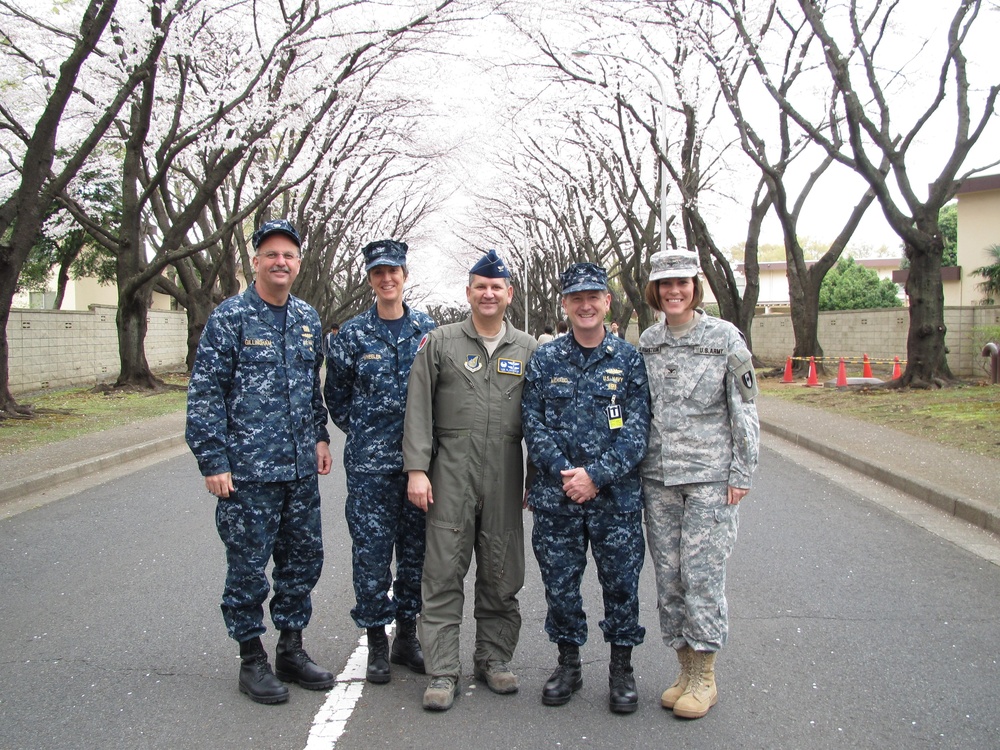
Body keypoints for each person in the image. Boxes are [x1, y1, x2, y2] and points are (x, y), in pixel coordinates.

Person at [186, 219, 334, 705]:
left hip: (298, 472)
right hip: (247, 475)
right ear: (255, 262)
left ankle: (291, 647)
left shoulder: (308, 319)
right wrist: (213, 460)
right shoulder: (231, 318)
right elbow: (205, 392)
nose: (280, 262)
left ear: (297, 263)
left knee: (302, 560)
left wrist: (319, 437)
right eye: (271, 254)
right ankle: (252, 657)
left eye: (288, 255)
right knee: (248, 566)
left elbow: (311, 388)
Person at [402, 248, 539, 711]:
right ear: (468, 292)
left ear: (509, 294)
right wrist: (417, 469)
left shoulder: (528, 350)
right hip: (450, 472)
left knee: (502, 573)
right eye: (480, 286)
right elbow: (418, 407)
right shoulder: (439, 343)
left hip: (504, 471)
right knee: (442, 572)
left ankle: (494, 659)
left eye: (496, 287)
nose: (488, 293)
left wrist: (535, 475)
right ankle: (442, 671)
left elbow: (542, 419)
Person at [521, 263, 650, 713]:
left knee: (620, 585)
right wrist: (565, 473)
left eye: (593, 296)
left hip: (614, 498)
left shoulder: (629, 359)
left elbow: (638, 430)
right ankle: (569, 664)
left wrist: (596, 475)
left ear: (607, 302)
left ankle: (621, 670)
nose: (585, 305)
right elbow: (531, 423)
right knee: (560, 585)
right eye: (576, 298)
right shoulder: (545, 359)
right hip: (557, 498)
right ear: (565, 304)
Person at [638, 249, 760, 720]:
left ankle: (706, 674)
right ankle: (684, 668)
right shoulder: (649, 341)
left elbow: (745, 406)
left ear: (695, 286)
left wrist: (742, 470)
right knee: (668, 578)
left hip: (710, 478)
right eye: (665, 284)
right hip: (659, 477)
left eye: (682, 283)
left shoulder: (726, 338)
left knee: (702, 574)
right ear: (654, 290)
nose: (674, 291)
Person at [324, 239, 436, 684]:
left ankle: (406, 637)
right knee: (371, 557)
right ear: (370, 279)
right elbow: (337, 397)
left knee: (415, 554)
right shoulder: (352, 335)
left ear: (405, 276)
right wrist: (370, 434)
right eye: (378, 273)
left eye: (394, 271)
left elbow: (438, 392)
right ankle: (376, 641)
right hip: (371, 469)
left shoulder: (427, 331)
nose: (387, 279)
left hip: (419, 467)